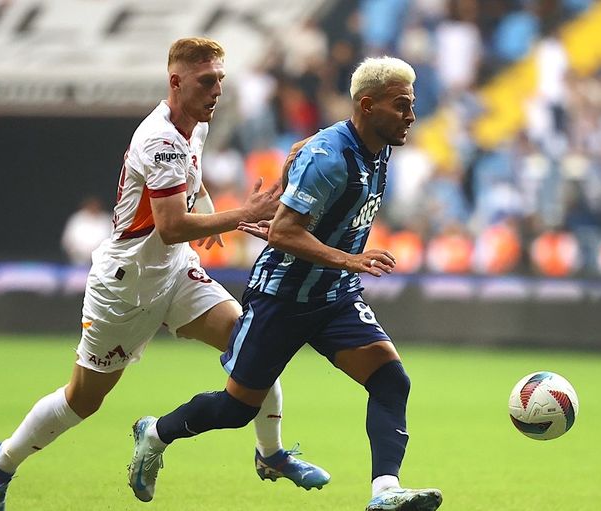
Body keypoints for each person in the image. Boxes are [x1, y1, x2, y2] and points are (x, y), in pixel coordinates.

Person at [0, 37, 329, 511]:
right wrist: (239, 214)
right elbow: (171, 226)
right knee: (83, 400)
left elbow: (189, 181)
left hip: (175, 272)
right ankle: (1, 462)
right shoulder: (159, 139)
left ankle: (271, 454)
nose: (216, 90)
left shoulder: (195, 124)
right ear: (176, 82)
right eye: (206, 81)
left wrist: (207, 204)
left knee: (254, 346)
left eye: (220, 80)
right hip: (126, 287)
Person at [128, 56, 443, 511]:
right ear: (367, 106)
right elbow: (283, 234)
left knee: (391, 380)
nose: (411, 115)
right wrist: (349, 259)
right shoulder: (331, 157)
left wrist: (296, 179)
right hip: (282, 297)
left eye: (411, 105)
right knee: (237, 409)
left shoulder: (375, 143)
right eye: (402, 106)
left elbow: (303, 153)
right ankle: (155, 433)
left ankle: (385, 492)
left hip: (333, 296)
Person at [61, 196, 113, 265]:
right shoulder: (77, 218)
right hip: (77, 260)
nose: (93, 207)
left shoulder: (106, 220)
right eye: (91, 205)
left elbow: (112, 241)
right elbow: (67, 241)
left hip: (102, 261)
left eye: (95, 206)